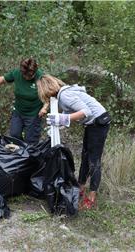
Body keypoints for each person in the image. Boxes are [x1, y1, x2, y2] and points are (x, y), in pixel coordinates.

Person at [36, 75, 111, 210]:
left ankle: (91, 197)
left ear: (45, 89)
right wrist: (56, 127)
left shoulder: (65, 95)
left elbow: (85, 112)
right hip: (92, 123)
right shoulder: (62, 95)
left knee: (94, 161)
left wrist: (63, 119)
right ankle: (80, 188)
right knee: (85, 156)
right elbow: (68, 113)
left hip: (99, 122)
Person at [0, 58, 48, 145]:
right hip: (18, 111)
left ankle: (29, 156)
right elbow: (3, 78)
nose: (26, 78)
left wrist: (45, 107)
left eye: (29, 76)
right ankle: (20, 153)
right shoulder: (17, 73)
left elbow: (50, 94)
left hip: (33, 114)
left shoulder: (41, 77)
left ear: (34, 72)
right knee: (14, 135)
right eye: (25, 76)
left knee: (31, 141)